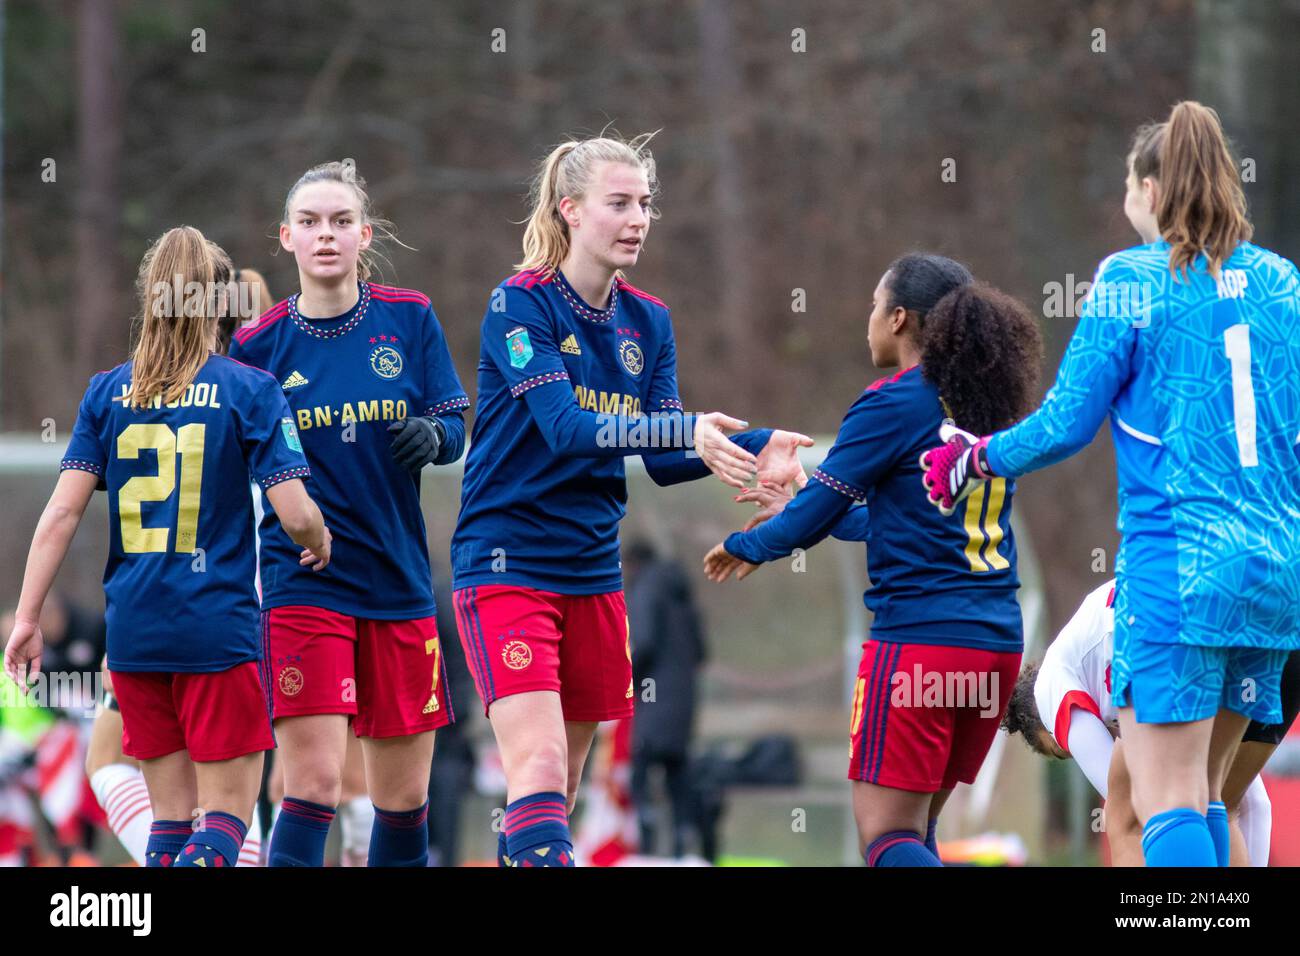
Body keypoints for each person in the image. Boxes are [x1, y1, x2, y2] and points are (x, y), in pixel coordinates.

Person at [920, 101, 1300, 867]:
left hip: (1179, 570)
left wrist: (974, 459)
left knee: (1166, 802)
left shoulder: (1131, 280)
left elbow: (1065, 422)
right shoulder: (1283, 283)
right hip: (1278, 569)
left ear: (1151, 191)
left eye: (1129, 188)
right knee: (1207, 795)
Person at [451, 131, 811, 867]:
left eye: (645, 204)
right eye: (619, 203)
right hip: (506, 564)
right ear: (571, 211)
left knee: (564, 781)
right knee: (541, 767)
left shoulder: (649, 319)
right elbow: (565, 429)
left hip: (591, 572)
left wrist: (758, 443)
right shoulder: (519, 304)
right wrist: (683, 427)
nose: (638, 218)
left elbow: (664, 456)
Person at [5, 226, 329, 868]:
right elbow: (294, 516)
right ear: (215, 302)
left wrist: (26, 616)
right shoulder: (247, 389)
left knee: (170, 828)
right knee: (228, 822)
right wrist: (319, 538)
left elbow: (62, 513)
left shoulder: (107, 392)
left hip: (134, 636)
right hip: (217, 630)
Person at [705, 254, 1043, 866]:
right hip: (992, 646)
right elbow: (884, 523)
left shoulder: (893, 403)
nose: (867, 320)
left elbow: (811, 523)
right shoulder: (981, 406)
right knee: (917, 833)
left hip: (919, 644)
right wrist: (804, 499)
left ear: (898, 319)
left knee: (886, 837)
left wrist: (747, 543)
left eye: (872, 306)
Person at [229, 161, 469, 867]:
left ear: (364, 234)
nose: (325, 235)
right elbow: (236, 472)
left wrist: (435, 436)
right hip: (304, 583)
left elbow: (454, 422)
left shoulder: (409, 317)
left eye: (339, 222)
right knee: (314, 783)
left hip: (397, 581)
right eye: (309, 223)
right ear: (286, 238)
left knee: (401, 800)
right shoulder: (258, 347)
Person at [1003, 580, 1298, 866]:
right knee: (1227, 801)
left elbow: (1135, 803)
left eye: (1062, 749)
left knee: (1130, 815)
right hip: (1266, 613)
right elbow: (1257, 804)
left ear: (1051, 732)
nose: (1072, 748)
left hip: (1181, 640)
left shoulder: (1048, 691)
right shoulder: (1082, 654)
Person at [624, 540, 706, 857]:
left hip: (653, 695)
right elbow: (701, 652)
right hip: (684, 697)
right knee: (678, 769)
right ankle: (682, 844)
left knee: (641, 767)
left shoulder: (646, 588)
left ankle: (644, 843)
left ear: (633, 563)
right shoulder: (683, 595)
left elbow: (642, 643)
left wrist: (625, 678)